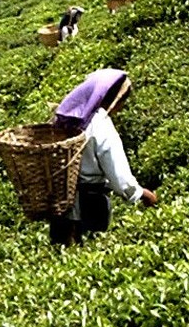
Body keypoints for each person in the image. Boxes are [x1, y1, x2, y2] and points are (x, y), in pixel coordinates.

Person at [46, 68, 158, 245]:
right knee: (90, 256)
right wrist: (140, 194)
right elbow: (117, 174)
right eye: (122, 101)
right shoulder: (100, 123)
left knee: (61, 257)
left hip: (60, 206)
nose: (120, 108)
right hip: (91, 204)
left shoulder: (64, 118)